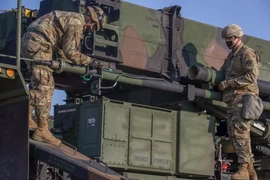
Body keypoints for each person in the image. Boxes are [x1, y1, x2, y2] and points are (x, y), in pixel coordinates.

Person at [21, 6, 107, 147]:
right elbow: (70, 51)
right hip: (40, 44)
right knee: (45, 85)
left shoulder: (70, 18)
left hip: (32, 42)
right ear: (91, 19)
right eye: (94, 26)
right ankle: (42, 130)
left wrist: (68, 63)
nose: (92, 30)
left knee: (38, 84)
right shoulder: (77, 23)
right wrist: (90, 62)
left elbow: (61, 49)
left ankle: (26, 115)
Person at [219, 24, 260, 180]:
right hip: (232, 100)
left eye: (230, 39)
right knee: (235, 135)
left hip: (243, 98)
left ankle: (243, 168)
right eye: (226, 40)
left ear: (238, 37)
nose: (228, 42)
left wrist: (229, 83)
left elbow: (251, 77)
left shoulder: (247, 54)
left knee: (240, 133)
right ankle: (250, 171)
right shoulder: (231, 56)